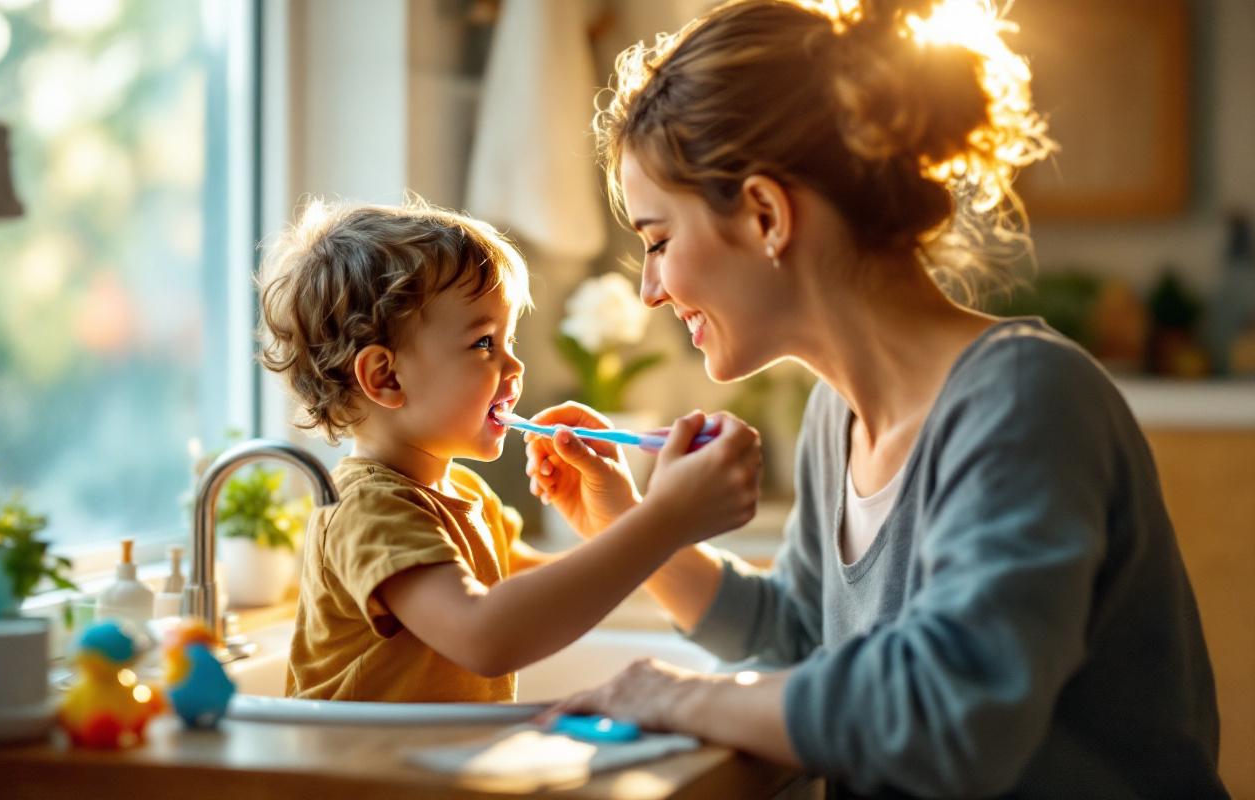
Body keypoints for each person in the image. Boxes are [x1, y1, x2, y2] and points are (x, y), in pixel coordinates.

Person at [524, 1, 1228, 796]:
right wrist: (627, 522)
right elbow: (801, 637)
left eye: (657, 241)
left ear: (765, 214)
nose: (650, 288)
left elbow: (947, 711)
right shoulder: (837, 415)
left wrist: (676, 694)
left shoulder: (1025, 400)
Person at [257, 198, 761, 702]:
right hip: (366, 780)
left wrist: (620, 517)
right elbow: (485, 635)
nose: (515, 367)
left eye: (510, 339)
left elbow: (542, 597)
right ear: (386, 377)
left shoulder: (463, 494)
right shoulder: (367, 510)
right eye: (484, 344)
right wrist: (661, 520)